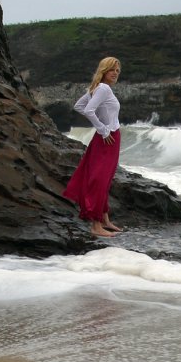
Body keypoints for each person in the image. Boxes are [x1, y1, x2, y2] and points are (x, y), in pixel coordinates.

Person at [62, 57, 124, 237]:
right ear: (104, 69)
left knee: (106, 178)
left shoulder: (98, 88)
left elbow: (79, 106)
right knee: (99, 179)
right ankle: (96, 225)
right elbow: (88, 110)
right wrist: (103, 129)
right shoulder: (103, 88)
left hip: (111, 136)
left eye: (117, 71)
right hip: (107, 137)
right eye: (112, 69)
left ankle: (105, 220)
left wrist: (104, 127)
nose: (115, 73)